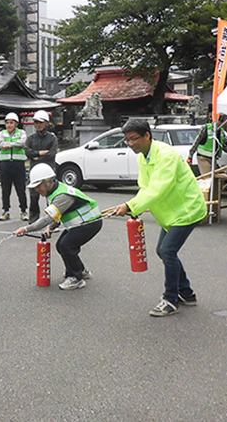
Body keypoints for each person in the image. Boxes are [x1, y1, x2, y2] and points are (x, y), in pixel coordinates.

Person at [112, 119, 206, 317]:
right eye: (127, 140)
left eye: (134, 139)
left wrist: (131, 206)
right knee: (163, 251)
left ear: (147, 135)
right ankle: (187, 293)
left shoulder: (166, 155)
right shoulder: (143, 157)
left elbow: (158, 188)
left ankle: (170, 299)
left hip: (186, 210)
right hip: (171, 213)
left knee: (167, 251)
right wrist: (133, 206)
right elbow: (146, 188)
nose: (130, 144)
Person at [14, 163, 102, 290]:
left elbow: (47, 218)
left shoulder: (62, 196)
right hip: (80, 223)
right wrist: (50, 228)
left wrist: (26, 229)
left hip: (90, 223)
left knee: (66, 246)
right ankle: (80, 270)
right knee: (61, 245)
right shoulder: (55, 191)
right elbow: (58, 215)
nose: (37, 190)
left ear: (49, 182)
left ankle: (76, 278)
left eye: (39, 186)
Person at [25, 110, 58, 224]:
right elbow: (27, 151)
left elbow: (51, 153)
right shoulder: (31, 138)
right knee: (34, 196)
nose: (38, 125)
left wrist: (36, 157)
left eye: (41, 122)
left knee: (51, 197)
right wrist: (39, 153)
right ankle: (33, 220)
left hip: (48, 170)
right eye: (36, 122)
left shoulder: (52, 138)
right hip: (34, 171)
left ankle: (54, 221)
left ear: (46, 123)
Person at [0, 112, 28, 221]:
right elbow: (0, 144)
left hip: (18, 163)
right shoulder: (2, 133)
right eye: (7, 123)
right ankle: (6, 211)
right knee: (5, 189)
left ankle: (23, 211)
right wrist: (10, 145)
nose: (9, 125)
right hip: (5, 164)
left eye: (11, 123)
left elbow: (22, 142)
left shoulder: (21, 132)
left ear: (16, 124)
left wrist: (10, 145)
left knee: (21, 188)